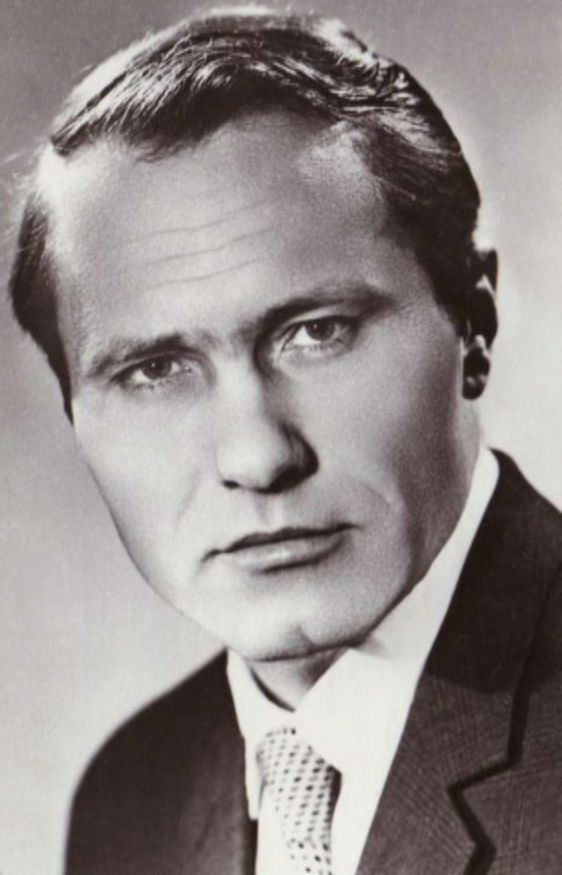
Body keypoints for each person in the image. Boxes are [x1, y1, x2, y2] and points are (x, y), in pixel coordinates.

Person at [8, 8, 562, 875]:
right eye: (155, 370)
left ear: (474, 325)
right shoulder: (132, 797)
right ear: (74, 409)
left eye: (317, 332)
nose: (258, 458)